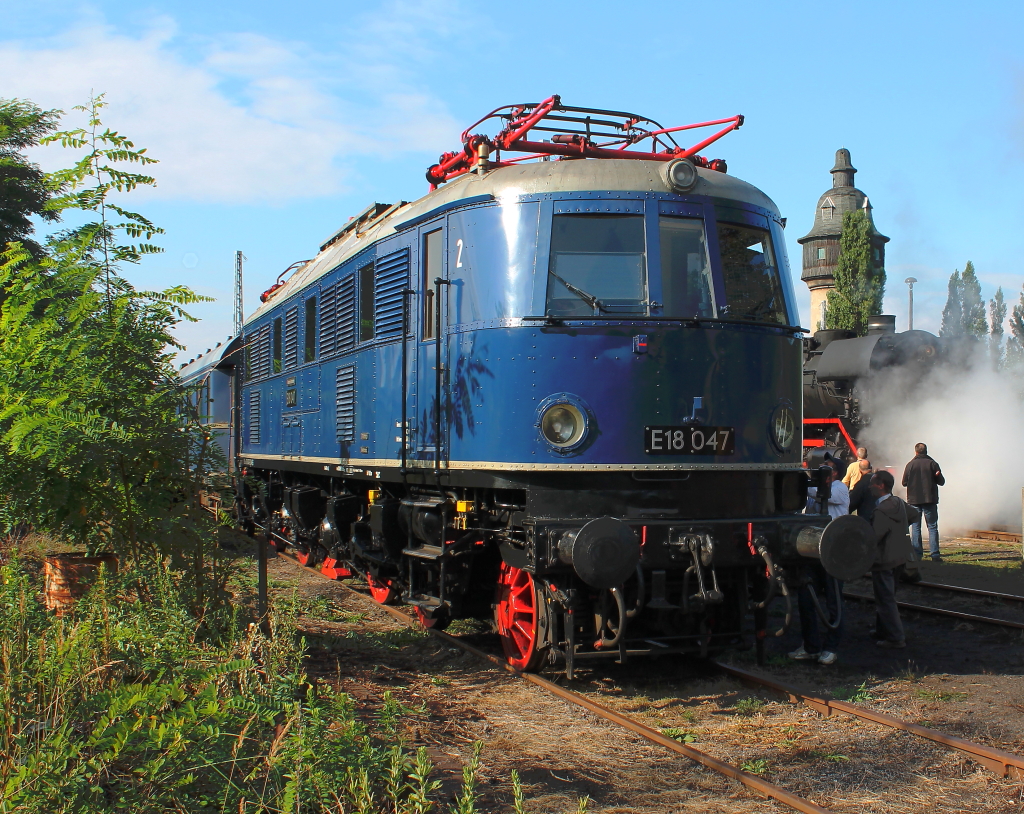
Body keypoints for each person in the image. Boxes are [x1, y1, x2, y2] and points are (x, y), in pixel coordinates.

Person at [790, 464, 846, 665]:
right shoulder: (814, 494)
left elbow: (823, 494)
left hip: (834, 552)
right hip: (813, 553)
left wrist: (799, 480)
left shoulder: (840, 488)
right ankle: (810, 646)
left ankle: (831, 647)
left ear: (835, 473)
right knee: (806, 599)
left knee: (834, 602)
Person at [868, 471, 912, 648]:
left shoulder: (881, 510)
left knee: (885, 598)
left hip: (884, 559)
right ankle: (882, 630)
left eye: (872, 483)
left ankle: (895, 638)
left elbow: (875, 537)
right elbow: (914, 514)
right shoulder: (898, 503)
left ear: (880, 486)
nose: (869, 486)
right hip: (900, 557)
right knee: (887, 595)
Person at [902, 442, 945, 562]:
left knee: (915, 527)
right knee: (932, 527)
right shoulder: (933, 464)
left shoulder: (910, 465)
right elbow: (941, 481)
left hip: (914, 500)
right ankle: (935, 554)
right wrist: (937, 476)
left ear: (916, 452)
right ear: (926, 451)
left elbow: (904, 482)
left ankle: (917, 554)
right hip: (929, 500)